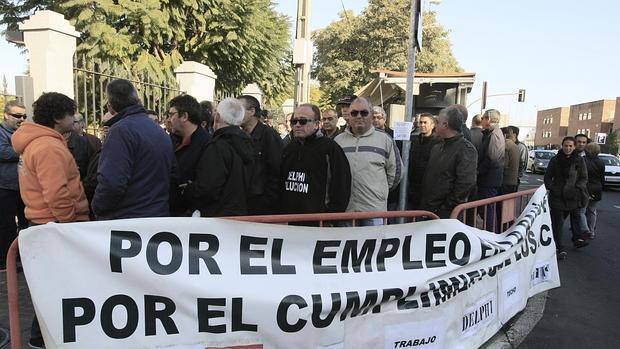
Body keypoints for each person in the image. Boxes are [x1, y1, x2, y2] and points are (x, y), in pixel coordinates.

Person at [11, 92, 90, 349]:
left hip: (45, 224)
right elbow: (56, 193)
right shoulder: (48, 146)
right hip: (55, 226)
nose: (75, 118)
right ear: (58, 118)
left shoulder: (38, 143)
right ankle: (41, 339)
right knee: (57, 288)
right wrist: (69, 225)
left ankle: (42, 338)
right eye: (71, 114)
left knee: (52, 287)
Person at [92, 79, 175, 220]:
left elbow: (112, 183)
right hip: (156, 215)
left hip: (127, 220)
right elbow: (172, 174)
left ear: (110, 106)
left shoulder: (120, 131)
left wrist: (96, 207)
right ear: (137, 99)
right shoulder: (159, 132)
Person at [181, 98, 255, 216]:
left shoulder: (218, 146)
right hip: (240, 213)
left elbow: (208, 188)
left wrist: (189, 190)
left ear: (217, 117)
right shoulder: (248, 143)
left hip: (218, 216)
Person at [335, 97, 402, 225]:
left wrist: (379, 191)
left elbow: (395, 173)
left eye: (364, 113)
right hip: (346, 210)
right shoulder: (338, 141)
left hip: (374, 210)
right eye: (354, 113)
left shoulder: (385, 140)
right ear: (348, 116)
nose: (359, 116)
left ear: (371, 115)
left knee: (376, 245)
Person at [280, 103, 351, 222]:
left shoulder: (330, 149)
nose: (297, 125)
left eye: (303, 121)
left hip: (319, 223)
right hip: (289, 221)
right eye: (294, 121)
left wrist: (331, 218)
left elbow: (341, 185)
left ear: (317, 124)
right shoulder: (288, 148)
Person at [419, 105, 477, 218]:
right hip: (428, 209)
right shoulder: (437, 147)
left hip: (445, 215)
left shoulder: (465, 149)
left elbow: (465, 184)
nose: (435, 125)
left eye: (438, 122)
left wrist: (446, 208)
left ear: (445, 125)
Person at [544, 136, 589, 259]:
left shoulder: (579, 160)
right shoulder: (555, 160)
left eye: (570, 146)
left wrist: (578, 188)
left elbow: (583, 178)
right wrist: (553, 188)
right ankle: (559, 247)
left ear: (574, 147)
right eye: (565, 145)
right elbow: (547, 177)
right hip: (557, 197)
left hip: (573, 196)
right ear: (562, 146)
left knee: (575, 218)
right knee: (558, 223)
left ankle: (577, 238)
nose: (568, 148)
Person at [166, 94, 211, 216]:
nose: (168, 119)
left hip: (190, 217)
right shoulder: (170, 141)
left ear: (184, 116)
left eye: (171, 114)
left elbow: (205, 187)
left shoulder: (208, 145)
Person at [238, 95, 283, 215]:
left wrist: (267, 201)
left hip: (262, 205)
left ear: (252, 111)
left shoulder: (269, 136)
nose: (235, 113)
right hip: (243, 202)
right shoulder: (238, 136)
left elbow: (276, 170)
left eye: (239, 109)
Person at [0, 100, 28, 269]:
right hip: (5, 187)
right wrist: (25, 150)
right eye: (17, 115)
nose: (21, 119)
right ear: (6, 115)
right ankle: (5, 261)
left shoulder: (22, 132)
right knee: (7, 225)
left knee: (25, 225)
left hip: (23, 186)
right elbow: (3, 152)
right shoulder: (2, 132)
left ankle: (22, 258)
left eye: (24, 116)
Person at [476, 109, 505, 232]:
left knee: (488, 212)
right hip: (488, 179)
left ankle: (491, 235)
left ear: (488, 119)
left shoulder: (494, 134)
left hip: (489, 180)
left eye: (482, 118)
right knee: (487, 211)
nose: (481, 121)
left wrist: (478, 171)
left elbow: (492, 158)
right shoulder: (491, 133)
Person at [408, 112, 439, 209]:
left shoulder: (438, 143)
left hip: (428, 188)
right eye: (420, 122)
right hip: (413, 187)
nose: (422, 125)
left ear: (432, 125)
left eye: (425, 122)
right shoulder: (414, 140)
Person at [569, 133, 590, 241]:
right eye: (579, 142)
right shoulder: (567, 155)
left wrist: (579, 188)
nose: (581, 144)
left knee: (577, 214)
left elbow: (585, 176)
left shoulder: (588, 157)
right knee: (559, 218)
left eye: (584, 142)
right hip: (564, 192)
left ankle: (578, 237)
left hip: (579, 192)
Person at [583, 142, 605, 240]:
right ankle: (591, 231)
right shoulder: (601, 162)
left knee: (581, 210)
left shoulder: (583, 161)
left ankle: (584, 230)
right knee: (592, 210)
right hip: (597, 188)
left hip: (586, 188)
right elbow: (602, 177)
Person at [501, 127, 520, 194]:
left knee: (501, 203)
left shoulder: (505, 146)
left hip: (506, 181)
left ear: (504, 135)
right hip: (513, 180)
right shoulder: (515, 146)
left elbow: (504, 164)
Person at [509, 125, 528, 190]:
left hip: (514, 179)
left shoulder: (521, 147)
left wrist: (517, 176)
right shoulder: (506, 144)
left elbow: (523, 163)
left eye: (509, 133)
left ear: (514, 134)